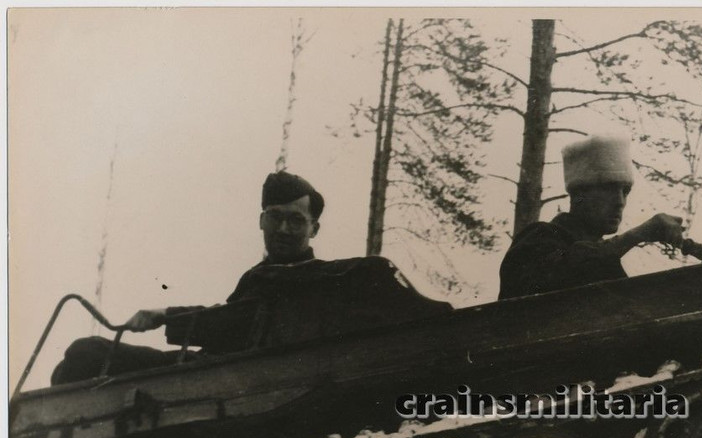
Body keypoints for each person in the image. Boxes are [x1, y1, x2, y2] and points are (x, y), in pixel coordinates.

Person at [51, 172, 449, 384]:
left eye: (296, 220)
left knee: (86, 354)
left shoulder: (328, 277)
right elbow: (234, 320)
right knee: (83, 355)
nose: (284, 229)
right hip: (220, 372)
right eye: (275, 217)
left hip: (242, 384)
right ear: (261, 221)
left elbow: (240, 321)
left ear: (314, 229)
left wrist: (165, 315)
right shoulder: (260, 278)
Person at [498, 135, 688, 300]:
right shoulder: (539, 237)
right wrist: (637, 235)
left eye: (625, 191)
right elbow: (562, 272)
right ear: (578, 194)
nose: (620, 202)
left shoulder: (606, 260)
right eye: (609, 189)